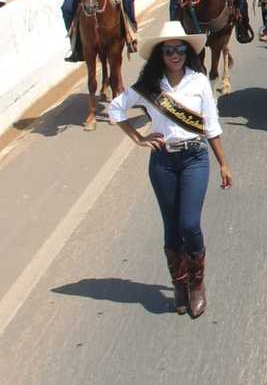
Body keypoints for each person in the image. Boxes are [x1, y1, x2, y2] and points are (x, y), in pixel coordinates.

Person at [109, 21, 233, 319]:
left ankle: (197, 284)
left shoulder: (199, 81)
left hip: (195, 158)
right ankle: (179, 285)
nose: (175, 55)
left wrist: (223, 164)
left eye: (180, 49)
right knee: (171, 228)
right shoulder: (149, 87)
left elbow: (211, 125)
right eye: (168, 50)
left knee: (189, 224)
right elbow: (115, 109)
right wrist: (139, 138)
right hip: (163, 161)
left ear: (187, 52)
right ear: (160, 55)